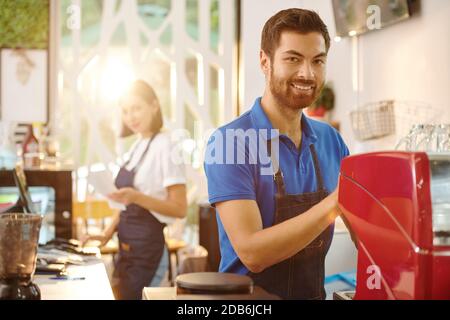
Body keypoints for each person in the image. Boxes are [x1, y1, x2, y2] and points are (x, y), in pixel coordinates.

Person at [204, 9, 349, 300]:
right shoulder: (230, 143)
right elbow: (252, 253)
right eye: (293, 59)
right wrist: (335, 204)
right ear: (265, 62)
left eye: (317, 61)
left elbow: (365, 232)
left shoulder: (331, 140)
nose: (307, 73)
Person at [84, 80, 187, 300]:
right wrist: (106, 233)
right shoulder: (137, 146)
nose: (131, 117)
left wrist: (137, 197)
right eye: (125, 111)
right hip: (126, 249)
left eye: (136, 108)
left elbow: (180, 208)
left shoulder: (167, 145)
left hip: (148, 252)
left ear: (154, 105)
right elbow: (124, 205)